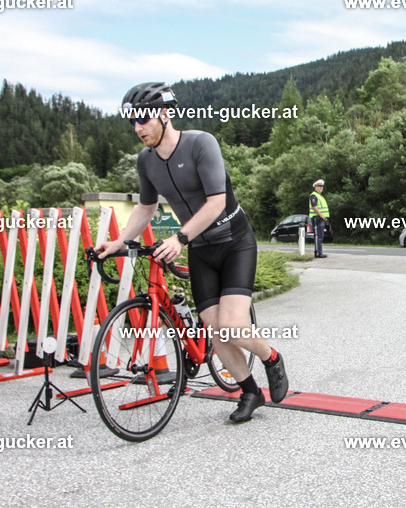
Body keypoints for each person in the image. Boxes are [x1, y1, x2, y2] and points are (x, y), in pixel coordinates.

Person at [95, 83, 288, 424]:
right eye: (132, 122)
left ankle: (272, 357)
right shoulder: (146, 160)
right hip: (201, 249)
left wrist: (180, 238)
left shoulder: (201, 143)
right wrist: (119, 242)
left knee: (230, 324)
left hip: (234, 242)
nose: (138, 128)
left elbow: (216, 202)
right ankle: (250, 391)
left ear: (165, 114)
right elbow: (145, 207)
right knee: (214, 328)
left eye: (143, 119)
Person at [309, 180, 329, 258]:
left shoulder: (319, 196)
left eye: (322, 186)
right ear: (315, 187)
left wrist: (324, 217)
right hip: (317, 218)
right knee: (318, 236)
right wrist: (321, 215)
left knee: (320, 236)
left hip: (321, 219)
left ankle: (319, 251)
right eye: (319, 186)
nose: (321, 188)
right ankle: (318, 253)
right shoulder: (313, 195)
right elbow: (314, 207)